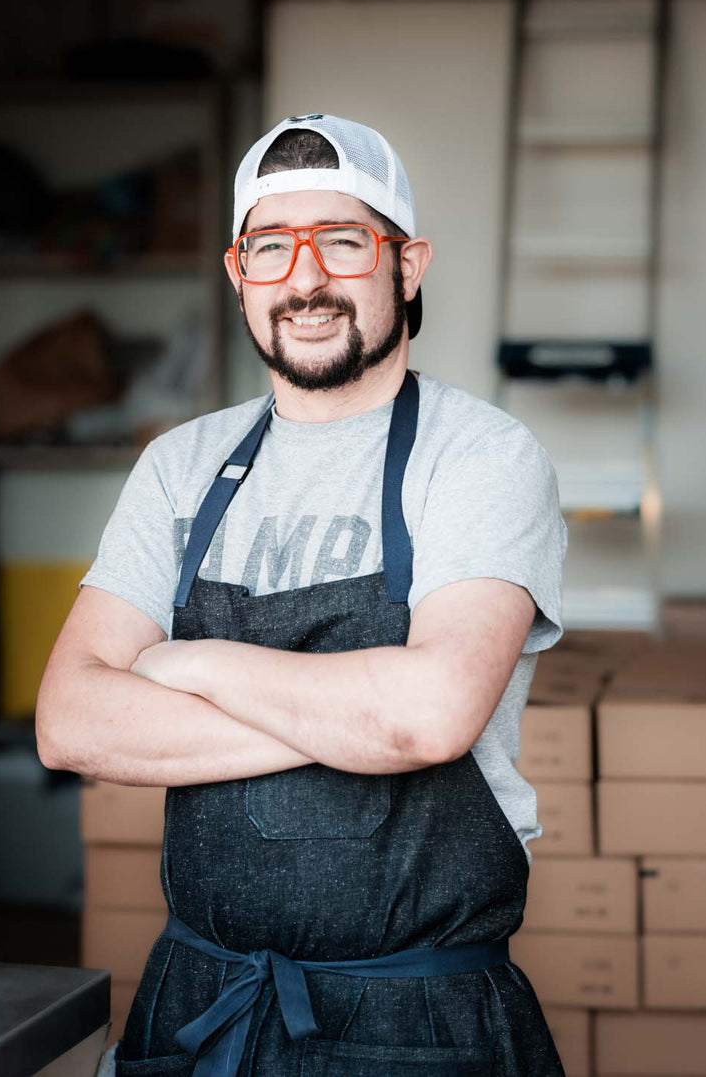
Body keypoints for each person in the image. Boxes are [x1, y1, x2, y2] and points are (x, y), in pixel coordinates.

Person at [36, 113, 569, 1076]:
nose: (306, 279)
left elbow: (430, 717)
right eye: (272, 247)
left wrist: (189, 663)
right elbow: (69, 720)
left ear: (408, 266)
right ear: (239, 273)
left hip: (419, 1023)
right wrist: (356, 717)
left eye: (343, 241)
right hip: (203, 1005)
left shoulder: (481, 457)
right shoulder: (180, 467)